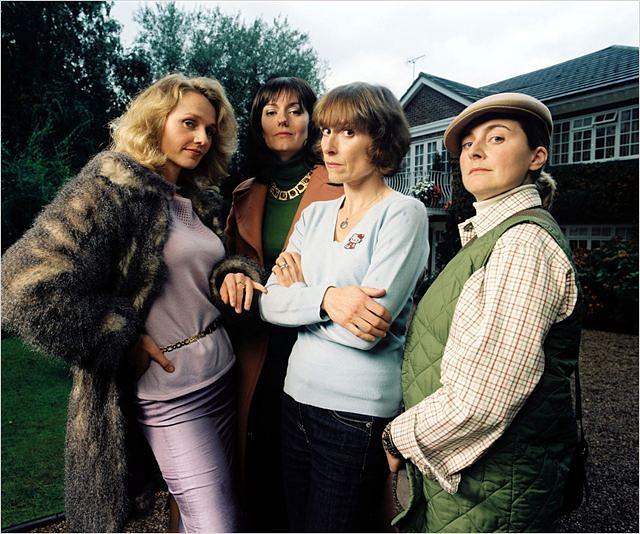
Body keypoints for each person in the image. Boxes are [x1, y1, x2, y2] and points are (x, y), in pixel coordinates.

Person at [1, 74, 265, 532]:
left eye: (210, 129)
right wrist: (120, 338)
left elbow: (201, 268)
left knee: (205, 514)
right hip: (168, 393)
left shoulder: (198, 198)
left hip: (221, 375)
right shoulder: (108, 188)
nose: (202, 139)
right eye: (189, 124)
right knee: (216, 524)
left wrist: (233, 272)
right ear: (155, 120)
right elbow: (20, 287)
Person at [383, 93, 583, 532]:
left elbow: (481, 401)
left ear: (536, 157)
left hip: (491, 490)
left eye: (496, 138)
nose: (474, 151)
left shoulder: (522, 243)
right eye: (468, 143)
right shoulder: (494, 236)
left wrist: (396, 437)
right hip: (474, 486)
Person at [258, 82, 430, 532]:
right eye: (326, 131)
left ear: (381, 141)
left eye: (348, 132)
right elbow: (269, 303)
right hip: (295, 398)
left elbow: (367, 331)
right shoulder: (314, 214)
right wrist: (328, 298)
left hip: (356, 413)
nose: (328, 146)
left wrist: (302, 296)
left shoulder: (403, 213)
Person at [218, 76, 343, 531]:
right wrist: (233, 275)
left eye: (294, 110)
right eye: (270, 112)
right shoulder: (245, 193)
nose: (283, 120)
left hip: (321, 336)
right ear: (259, 125)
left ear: (312, 121)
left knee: (318, 472)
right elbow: (228, 261)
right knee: (262, 459)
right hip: (259, 344)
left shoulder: (339, 182)